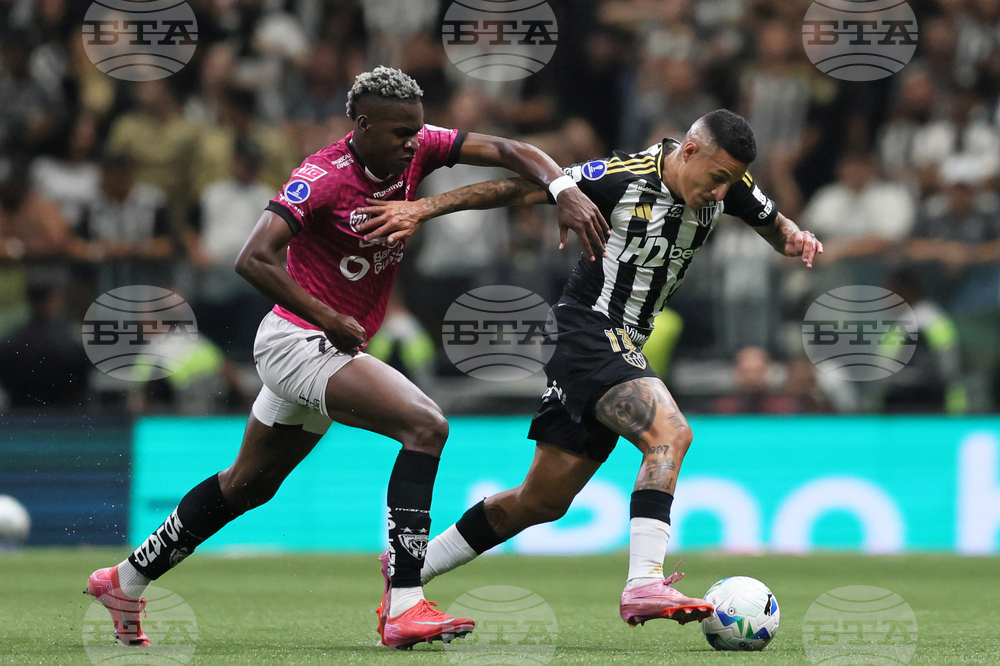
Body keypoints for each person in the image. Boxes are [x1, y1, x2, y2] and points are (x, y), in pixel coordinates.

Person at [84, 67, 608, 651]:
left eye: (417, 129)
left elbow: (512, 150)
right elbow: (252, 258)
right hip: (298, 340)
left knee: (247, 486)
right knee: (425, 425)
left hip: (326, 346)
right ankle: (405, 602)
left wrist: (564, 190)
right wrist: (327, 315)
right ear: (360, 125)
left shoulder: (420, 147)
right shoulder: (321, 178)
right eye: (399, 132)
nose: (413, 141)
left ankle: (123, 581)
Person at [359, 109, 822, 630]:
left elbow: (773, 223)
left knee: (542, 500)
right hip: (588, 331)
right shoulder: (619, 179)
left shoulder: (728, 183)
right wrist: (424, 207)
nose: (720, 193)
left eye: (728, 183)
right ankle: (643, 581)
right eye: (715, 179)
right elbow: (517, 191)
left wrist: (795, 236)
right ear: (689, 151)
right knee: (669, 433)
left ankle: (407, 569)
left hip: (621, 344)